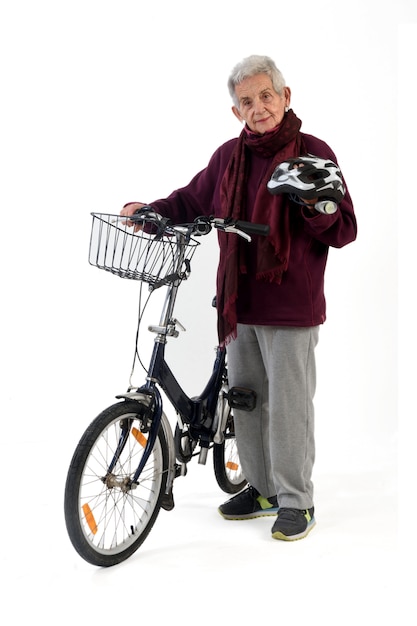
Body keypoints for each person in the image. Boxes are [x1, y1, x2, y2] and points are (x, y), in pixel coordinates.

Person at [121, 54, 357, 541]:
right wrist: (151, 210)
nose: (258, 108)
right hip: (239, 304)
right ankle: (263, 488)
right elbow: (191, 199)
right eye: (246, 101)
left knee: (289, 405)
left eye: (265, 96)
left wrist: (315, 204)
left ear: (285, 96)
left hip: (291, 305)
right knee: (246, 400)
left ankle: (297, 500)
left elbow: (343, 230)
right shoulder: (229, 156)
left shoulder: (313, 151)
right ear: (236, 111)